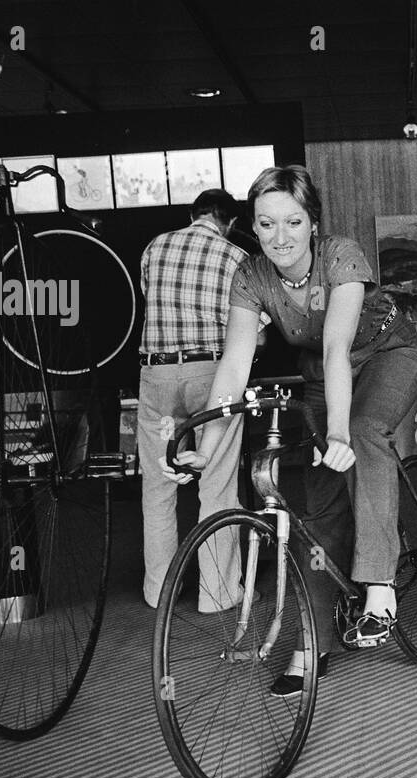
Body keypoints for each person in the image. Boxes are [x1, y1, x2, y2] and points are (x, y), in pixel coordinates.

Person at [168, 165, 417, 695]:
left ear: (313, 222)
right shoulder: (250, 275)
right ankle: (312, 646)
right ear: (253, 227)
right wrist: (208, 448)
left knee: (359, 434)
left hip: (386, 353)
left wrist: (337, 434)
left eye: (292, 222)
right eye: (266, 224)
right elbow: (234, 369)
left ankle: (379, 583)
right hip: (321, 374)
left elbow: (338, 348)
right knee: (319, 505)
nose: (279, 238)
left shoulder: (341, 256)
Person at [138, 188, 248, 612]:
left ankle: (159, 592)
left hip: (159, 374)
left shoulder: (154, 248)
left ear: (192, 214)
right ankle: (218, 594)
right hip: (211, 374)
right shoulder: (235, 257)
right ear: (231, 222)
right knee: (217, 486)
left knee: (159, 486)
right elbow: (249, 333)